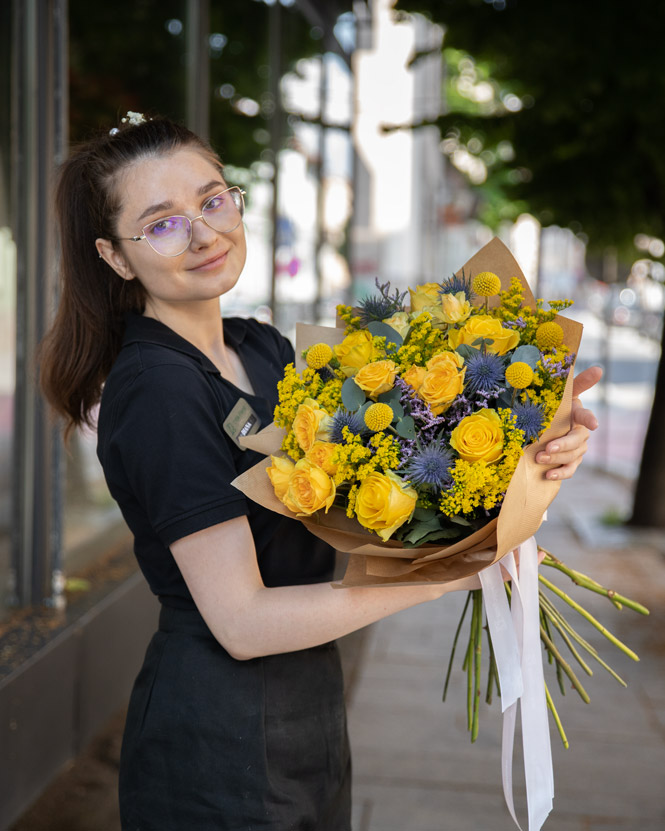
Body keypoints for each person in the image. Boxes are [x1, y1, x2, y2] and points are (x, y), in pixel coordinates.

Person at [39, 115, 601, 831]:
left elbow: (371, 488)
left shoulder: (259, 348)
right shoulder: (158, 391)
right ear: (116, 258)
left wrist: (523, 454)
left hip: (304, 711)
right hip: (219, 746)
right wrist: (446, 576)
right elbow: (241, 622)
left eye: (213, 200)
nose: (204, 232)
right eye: (162, 224)